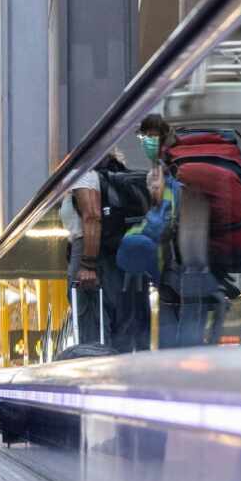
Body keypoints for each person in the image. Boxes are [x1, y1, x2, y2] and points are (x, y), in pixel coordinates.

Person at [136, 113, 236, 348]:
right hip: (179, 271)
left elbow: (167, 220)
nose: (146, 141)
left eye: (150, 136)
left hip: (189, 267)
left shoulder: (176, 172)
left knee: (183, 348)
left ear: (162, 137)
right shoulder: (163, 170)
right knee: (177, 345)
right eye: (144, 137)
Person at [60, 148, 150, 352]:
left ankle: (98, 380)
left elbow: (92, 216)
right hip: (122, 260)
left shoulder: (84, 175)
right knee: (123, 332)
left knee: (92, 332)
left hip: (91, 255)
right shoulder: (117, 177)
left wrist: (87, 264)